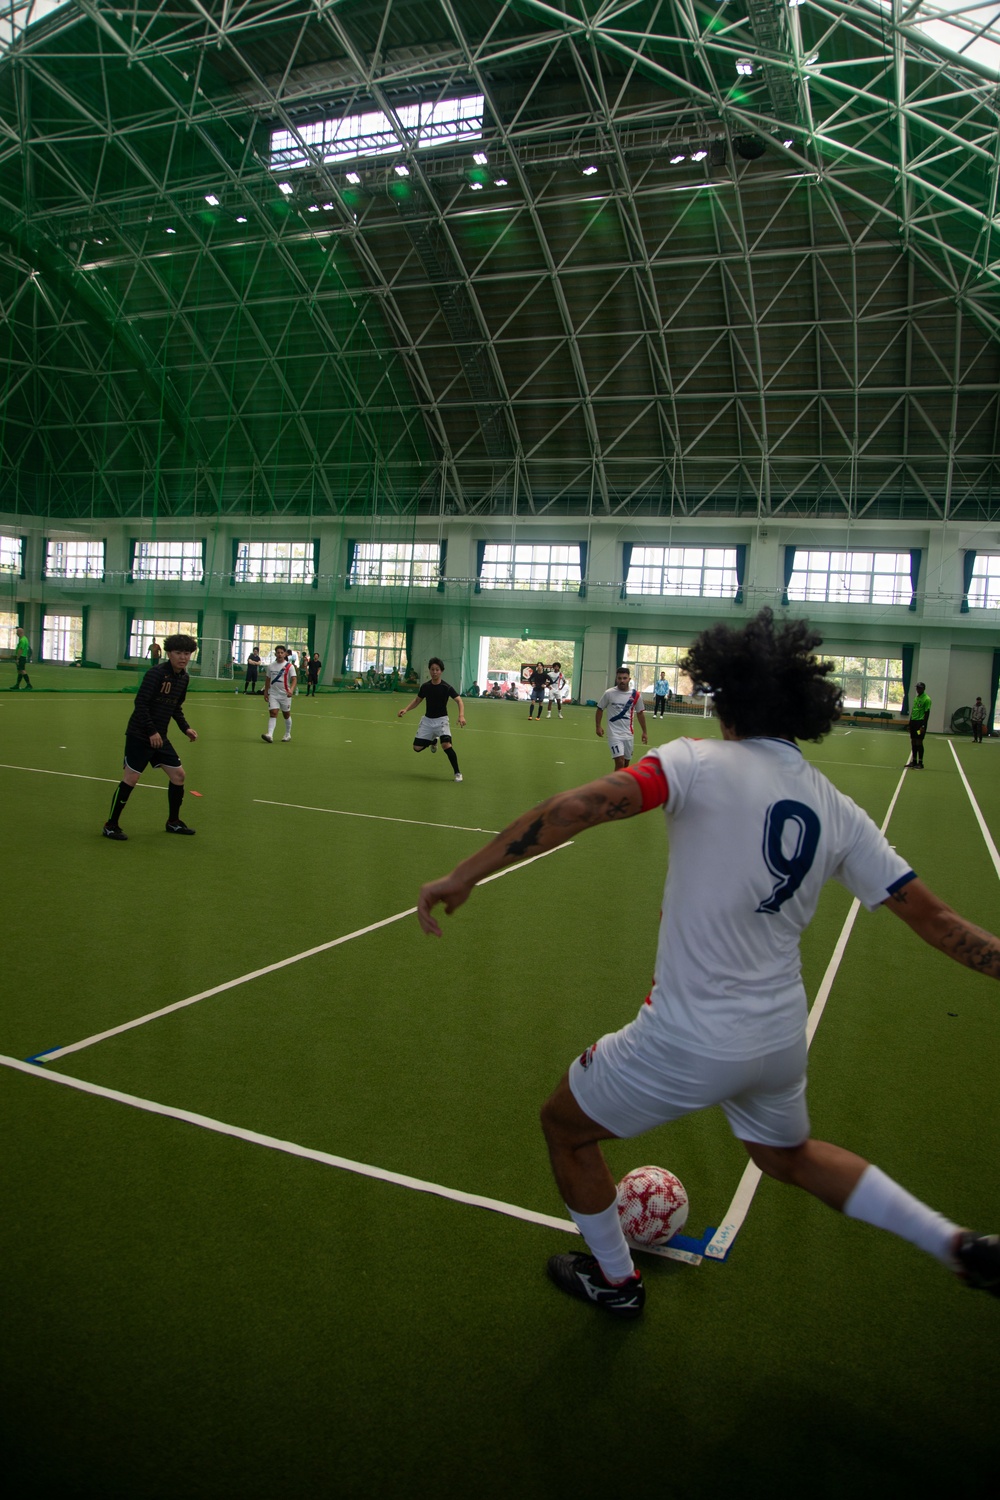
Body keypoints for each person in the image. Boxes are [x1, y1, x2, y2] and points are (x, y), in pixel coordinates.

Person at [416, 609, 1000, 1320]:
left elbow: (581, 805)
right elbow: (937, 921)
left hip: (688, 1037)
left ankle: (616, 1282)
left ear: (726, 698)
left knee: (565, 1128)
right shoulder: (838, 808)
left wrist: (468, 872)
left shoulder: (694, 761)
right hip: (778, 1039)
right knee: (789, 1155)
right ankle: (956, 1245)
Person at [102, 632, 199, 841]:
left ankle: (173, 822)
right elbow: (141, 704)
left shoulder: (184, 678)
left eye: (187, 653)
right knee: (131, 778)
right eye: (178, 652)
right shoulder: (156, 674)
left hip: (160, 737)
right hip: (140, 734)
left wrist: (186, 728)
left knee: (179, 776)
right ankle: (111, 825)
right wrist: (151, 731)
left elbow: (176, 708)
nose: (183, 657)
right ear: (168, 653)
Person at [397, 657, 465, 782]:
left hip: (441, 721)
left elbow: (459, 700)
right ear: (429, 670)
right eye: (432, 669)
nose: (434, 672)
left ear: (441, 671)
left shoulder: (446, 687)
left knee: (446, 745)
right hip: (427, 721)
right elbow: (417, 700)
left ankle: (457, 773)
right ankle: (433, 741)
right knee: (416, 748)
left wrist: (461, 715)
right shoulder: (425, 687)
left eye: (437, 670)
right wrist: (406, 709)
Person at [596, 666, 648, 768]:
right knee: (620, 762)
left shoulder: (636, 695)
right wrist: (598, 726)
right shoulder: (609, 693)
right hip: (614, 734)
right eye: (619, 678)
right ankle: (615, 784)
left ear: (629, 679)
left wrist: (644, 732)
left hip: (628, 734)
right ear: (616, 679)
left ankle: (620, 783)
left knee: (625, 765)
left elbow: (640, 713)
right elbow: (600, 709)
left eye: (624, 678)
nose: (622, 681)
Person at [261, 646, 295, 742]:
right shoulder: (271, 666)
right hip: (273, 694)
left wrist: (291, 690)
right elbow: (267, 679)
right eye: (278, 652)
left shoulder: (289, 666)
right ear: (275, 654)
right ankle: (270, 735)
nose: (280, 654)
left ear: (285, 654)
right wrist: (266, 692)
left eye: (281, 652)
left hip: (285, 695)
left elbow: (294, 679)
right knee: (273, 713)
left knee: (286, 714)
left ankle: (287, 734)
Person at [907, 681, 931, 768]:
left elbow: (927, 713)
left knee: (918, 741)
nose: (918, 689)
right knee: (913, 740)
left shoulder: (927, 699)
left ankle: (920, 763)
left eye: (920, 688)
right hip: (914, 722)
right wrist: (909, 724)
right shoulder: (916, 698)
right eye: (917, 688)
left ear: (923, 689)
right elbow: (913, 711)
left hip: (919, 723)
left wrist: (923, 726)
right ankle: (914, 761)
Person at [10, 626, 32, 690]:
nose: (16, 633)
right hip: (23, 657)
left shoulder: (22, 640)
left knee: (22, 670)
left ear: (20, 632)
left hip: (21, 657)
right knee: (19, 671)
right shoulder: (25, 639)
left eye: (17, 632)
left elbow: (21, 649)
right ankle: (17, 684)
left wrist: (18, 658)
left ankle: (29, 684)